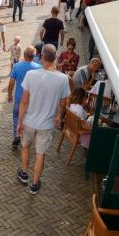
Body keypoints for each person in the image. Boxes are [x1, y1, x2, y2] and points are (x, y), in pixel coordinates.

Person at [16, 44, 70, 194]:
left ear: (41, 56)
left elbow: (24, 101)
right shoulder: (63, 79)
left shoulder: (31, 75)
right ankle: (34, 184)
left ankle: (24, 174)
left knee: (25, 146)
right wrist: (59, 116)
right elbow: (63, 102)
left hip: (28, 122)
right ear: (55, 58)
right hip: (46, 125)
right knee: (40, 154)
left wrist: (19, 123)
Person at [8, 46, 41, 147]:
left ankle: (17, 134)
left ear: (24, 54)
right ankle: (26, 138)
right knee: (29, 117)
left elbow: (11, 83)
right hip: (32, 99)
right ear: (33, 56)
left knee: (16, 115)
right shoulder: (39, 68)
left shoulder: (17, 66)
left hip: (19, 97)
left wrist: (9, 95)